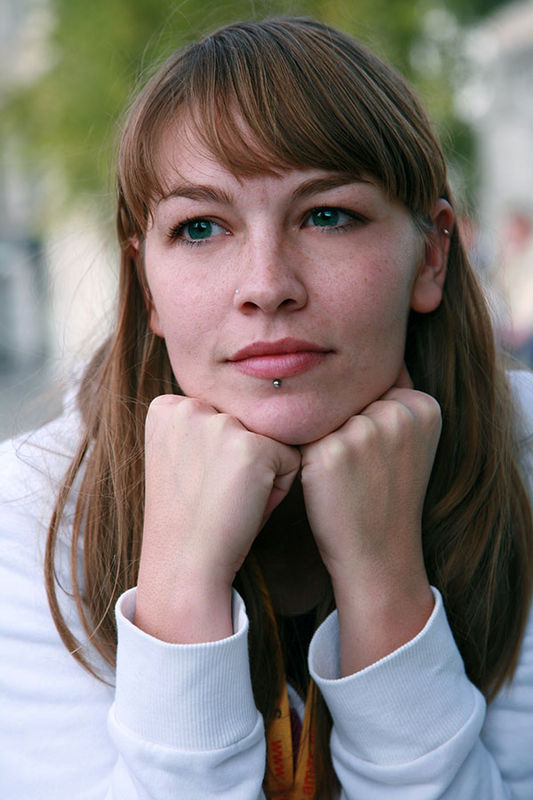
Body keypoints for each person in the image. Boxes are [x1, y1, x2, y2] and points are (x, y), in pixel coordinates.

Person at [1, 16, 532, 800]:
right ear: (147, 286)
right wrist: (181, 593)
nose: (265, 284)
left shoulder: (523, 463)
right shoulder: (26, 512)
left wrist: (384, 583)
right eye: (200, 227)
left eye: (327, 215)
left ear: (430, 255)